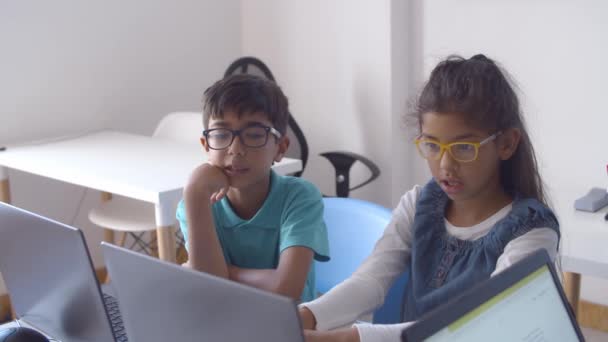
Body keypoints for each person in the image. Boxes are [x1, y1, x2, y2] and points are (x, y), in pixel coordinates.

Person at [298, 54, 560, 341]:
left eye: (463, 148)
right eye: (431, 145)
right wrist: (306, 316)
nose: (445, 165)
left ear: (507, 143)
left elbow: (480, 327)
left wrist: (347, 338)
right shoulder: (420, 204)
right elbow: (370, 280)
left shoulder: (532, 232)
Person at [177, 74, 329, 302]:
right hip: (222, 325)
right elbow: (207, 292)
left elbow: (285, 288)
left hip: (289, 328)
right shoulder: (196, 202)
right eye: (220, 134)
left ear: (281, 148)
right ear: (206, 145)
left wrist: (228, 272)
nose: (235, 149)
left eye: (255, 134)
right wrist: (193, 191)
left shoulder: (300, 197)